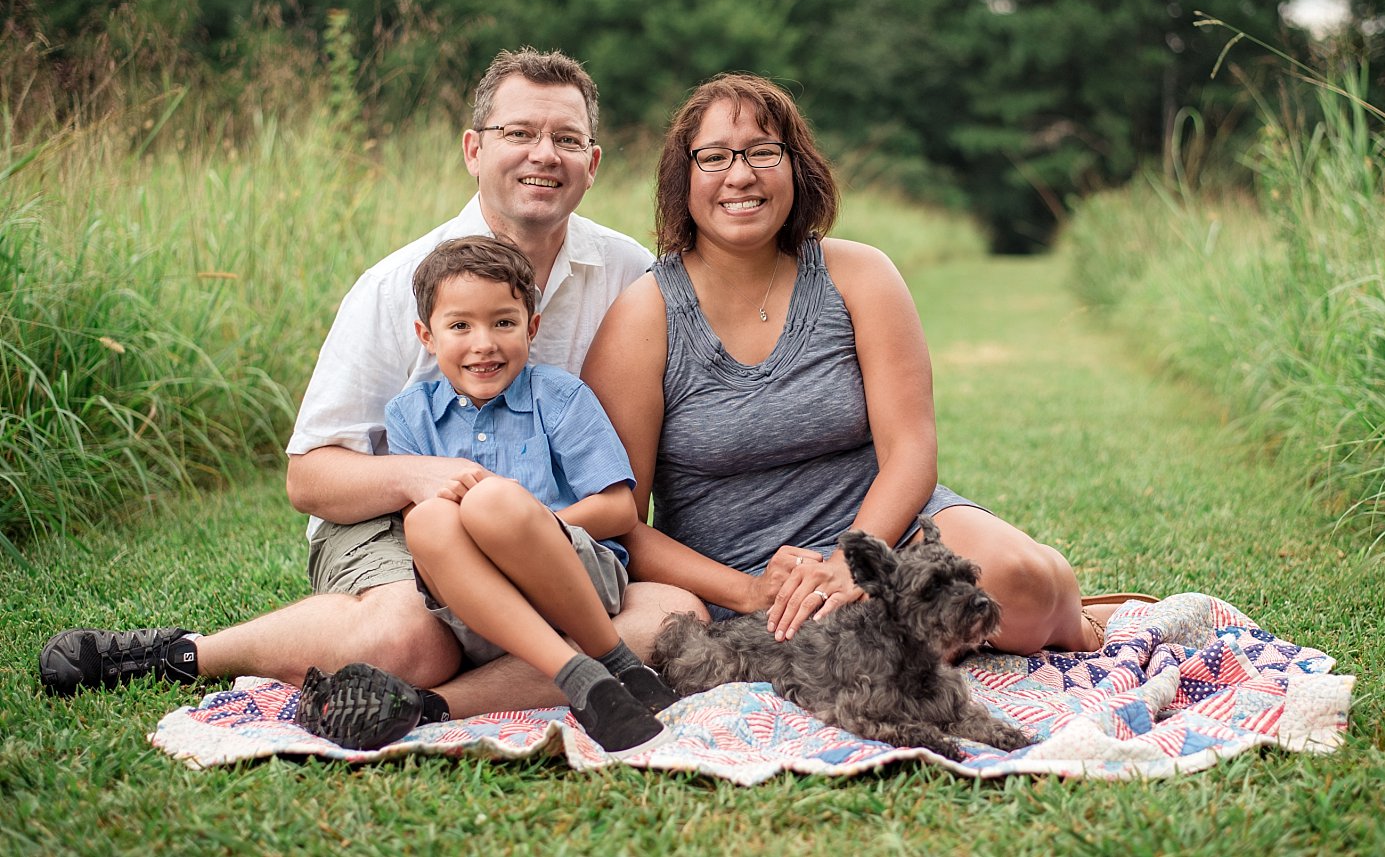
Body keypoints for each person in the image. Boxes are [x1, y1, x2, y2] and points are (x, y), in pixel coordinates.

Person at [39, 48, 706, 717]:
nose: (544, 154)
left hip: (552, 536)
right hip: (400, 528)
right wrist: (418, 478)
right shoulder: (397, 285)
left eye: (566, 139)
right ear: (474, 149)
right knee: (412, 639)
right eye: (519, 134)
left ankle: (419, 707)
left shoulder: (629, 272)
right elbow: (311, 477)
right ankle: (186, 653)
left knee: (672, 619)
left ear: (591, 165)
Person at [581, 73, 1151, 654]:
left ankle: (1079, 623)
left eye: (762, 151)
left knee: (1017, 583)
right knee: (857, 647)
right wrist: (749, 592)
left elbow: (911, 451)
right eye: (714, 157)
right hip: (754, 580)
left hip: (890, 536)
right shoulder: (643, 317)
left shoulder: (860, 276)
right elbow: (625, 521)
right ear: (683, 178)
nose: (741, 174)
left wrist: (853, 562)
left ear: (796, 169)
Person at [295, 236, 676, 755]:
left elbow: (618, 508)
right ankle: (590, 675)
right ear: (425, 336)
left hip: (574, 584)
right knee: (426, 520)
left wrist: (526, 525)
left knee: (489, 502)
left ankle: (607, 660)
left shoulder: (559, 397)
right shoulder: (411, 414)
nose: (484, 343)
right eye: (460, 326)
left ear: (531, 328)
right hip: (475, 608)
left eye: (503, 322)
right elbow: (428, 528)